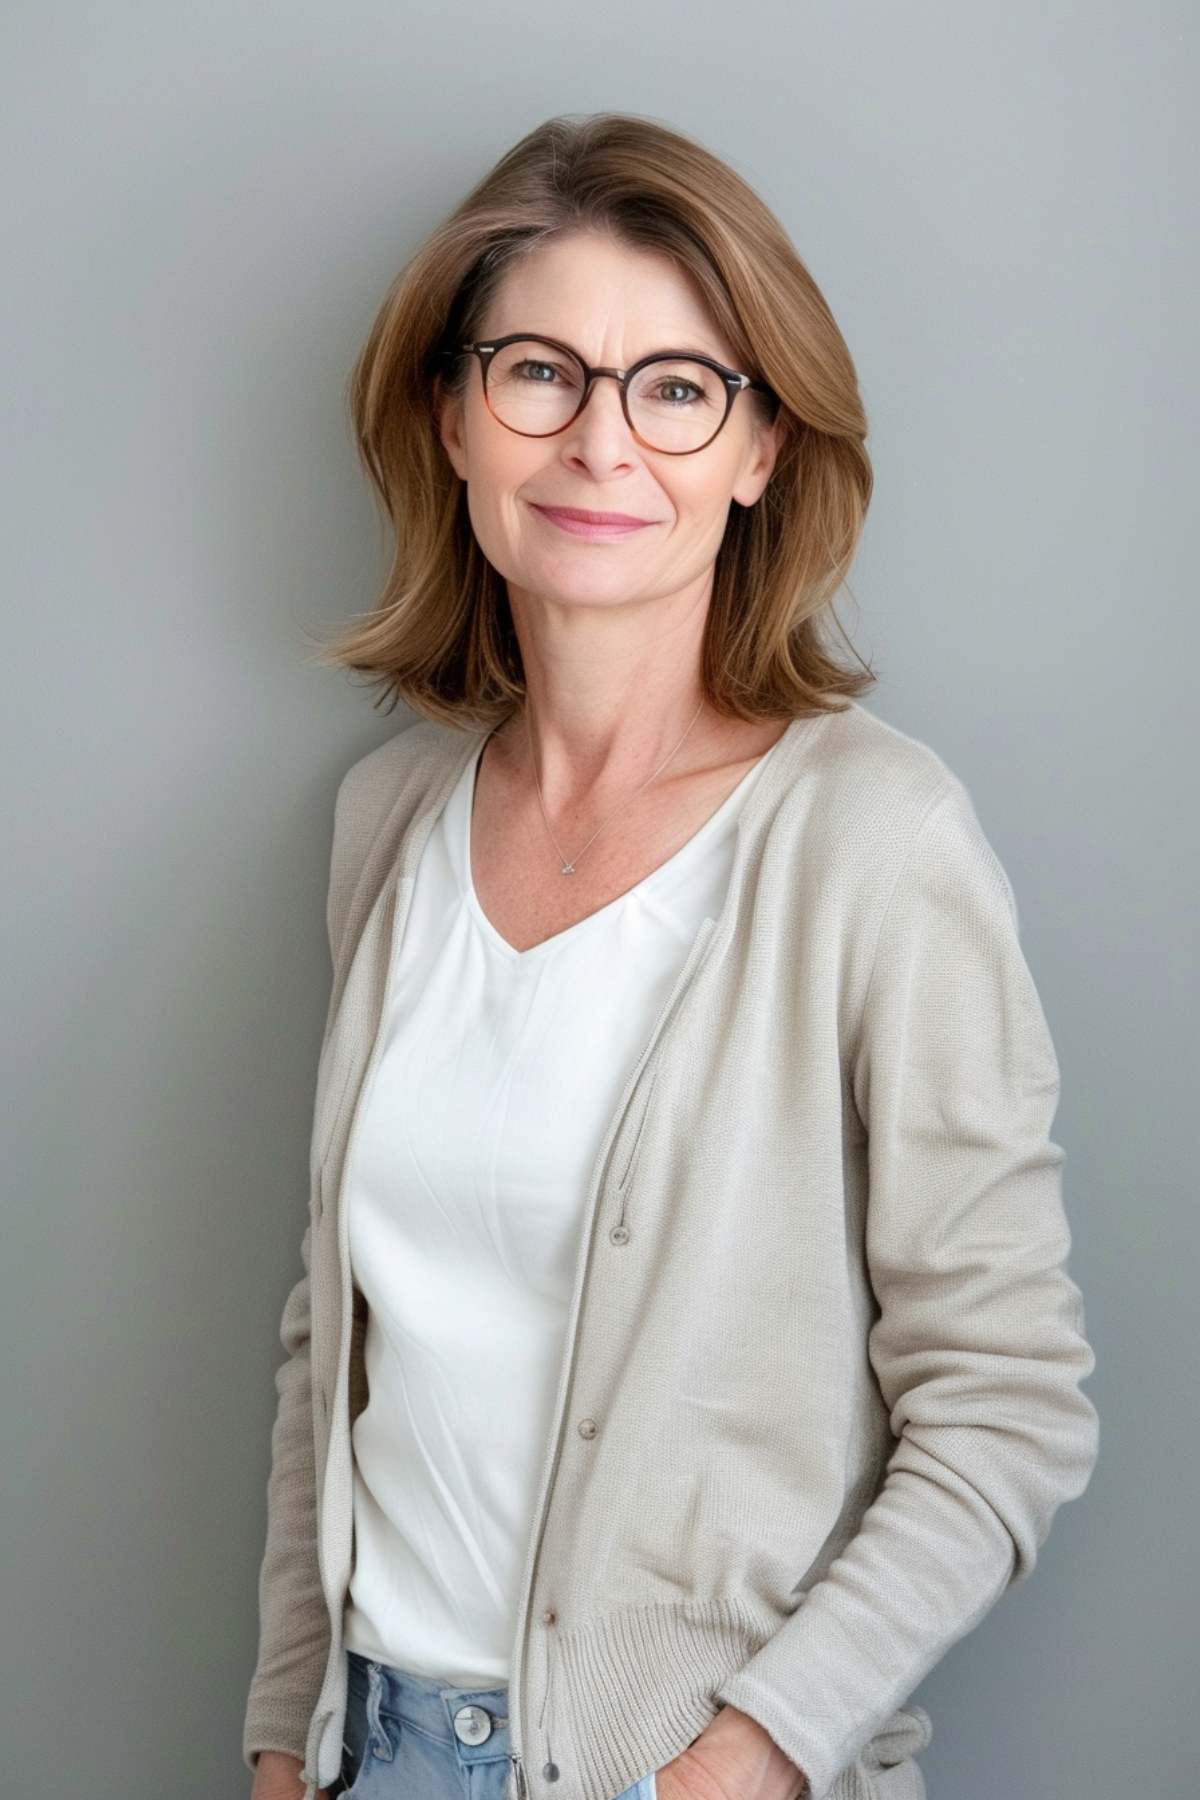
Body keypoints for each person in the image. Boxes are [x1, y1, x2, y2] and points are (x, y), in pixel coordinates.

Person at [243, 112, 1099, 1800]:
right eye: (539, 373)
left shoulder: (874, 841)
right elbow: (324, 1348)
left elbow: (1009, 1402)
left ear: (759, 447)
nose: (599, 445)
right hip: (375, 1751)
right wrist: (284, 1735)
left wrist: (751, 1754)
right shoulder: (387, 825)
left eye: (677, 387)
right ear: (454, 415)